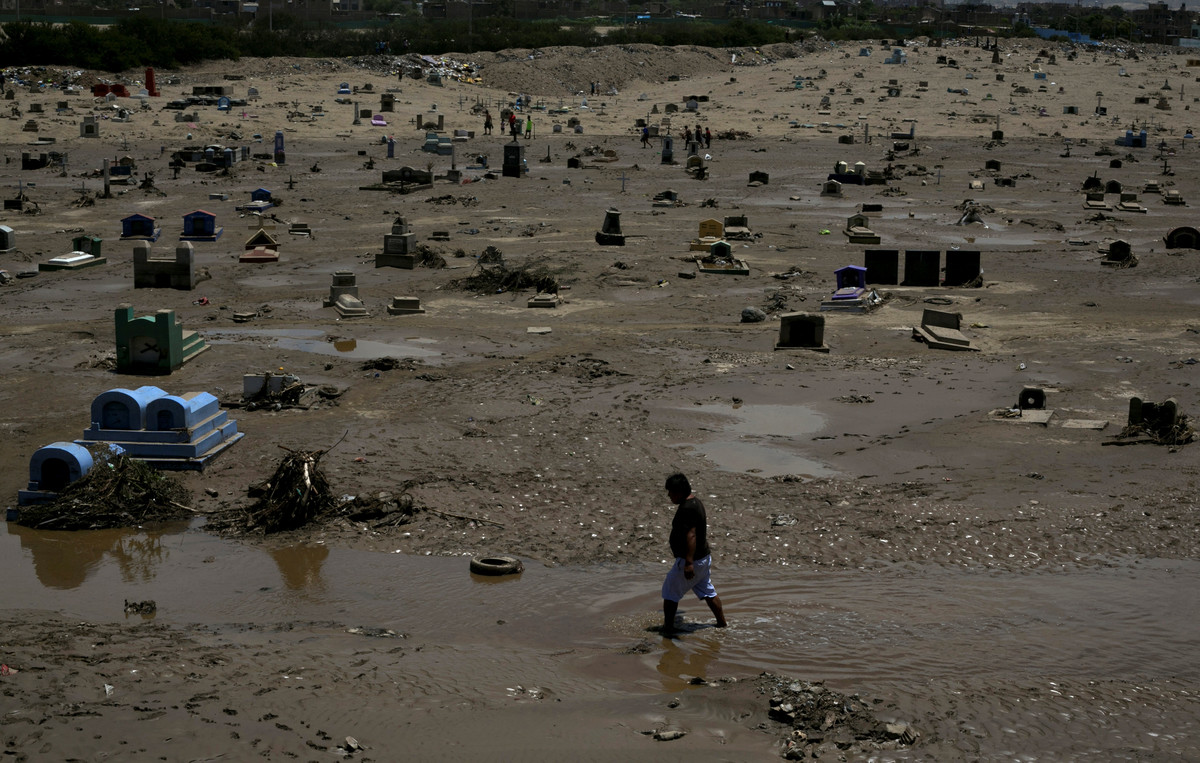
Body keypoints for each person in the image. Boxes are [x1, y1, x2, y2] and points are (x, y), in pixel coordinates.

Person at [661, 473, 727, 635]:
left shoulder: (687, 508)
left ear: (680, 491)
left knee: (670, 593)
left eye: (671, 492)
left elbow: (691, 535)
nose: (669, 496)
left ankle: (668, 630)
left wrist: (688, 563)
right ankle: (722, 624)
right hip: (703, 558)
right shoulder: (695, 502)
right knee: (708, 592)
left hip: (692, 561)